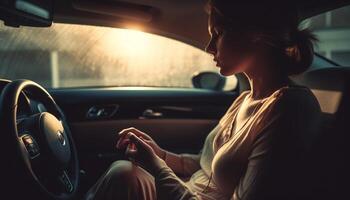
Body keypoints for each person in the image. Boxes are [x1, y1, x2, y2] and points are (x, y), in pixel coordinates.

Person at [85, 1, 322, 199]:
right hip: (188, 188)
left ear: (255, 33)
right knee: (124, 172)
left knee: (123, 174)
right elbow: (205, 165)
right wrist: (161, 155)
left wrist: (157, 168)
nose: (209, 48)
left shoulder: (289, 108)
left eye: (217, 34)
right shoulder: (244, 100)